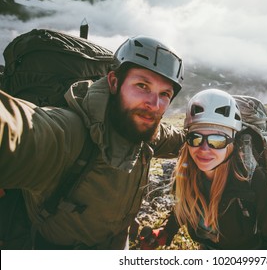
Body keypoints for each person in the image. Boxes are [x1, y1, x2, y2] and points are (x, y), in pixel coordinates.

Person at [0, 36, 186, 249]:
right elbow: (17, 129)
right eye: (142, 85)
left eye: (165, 94)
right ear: (114, 82)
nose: (154, 104)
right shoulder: (70, 133)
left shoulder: (143, 129)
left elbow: (184, 142)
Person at [141, 89, 267, 250]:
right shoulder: (187, 172)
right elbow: (183, 205)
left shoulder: (252, 179)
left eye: (217, 140)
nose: (204, 149)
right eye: (195, 138)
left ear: (232, 143)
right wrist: (166, 232)